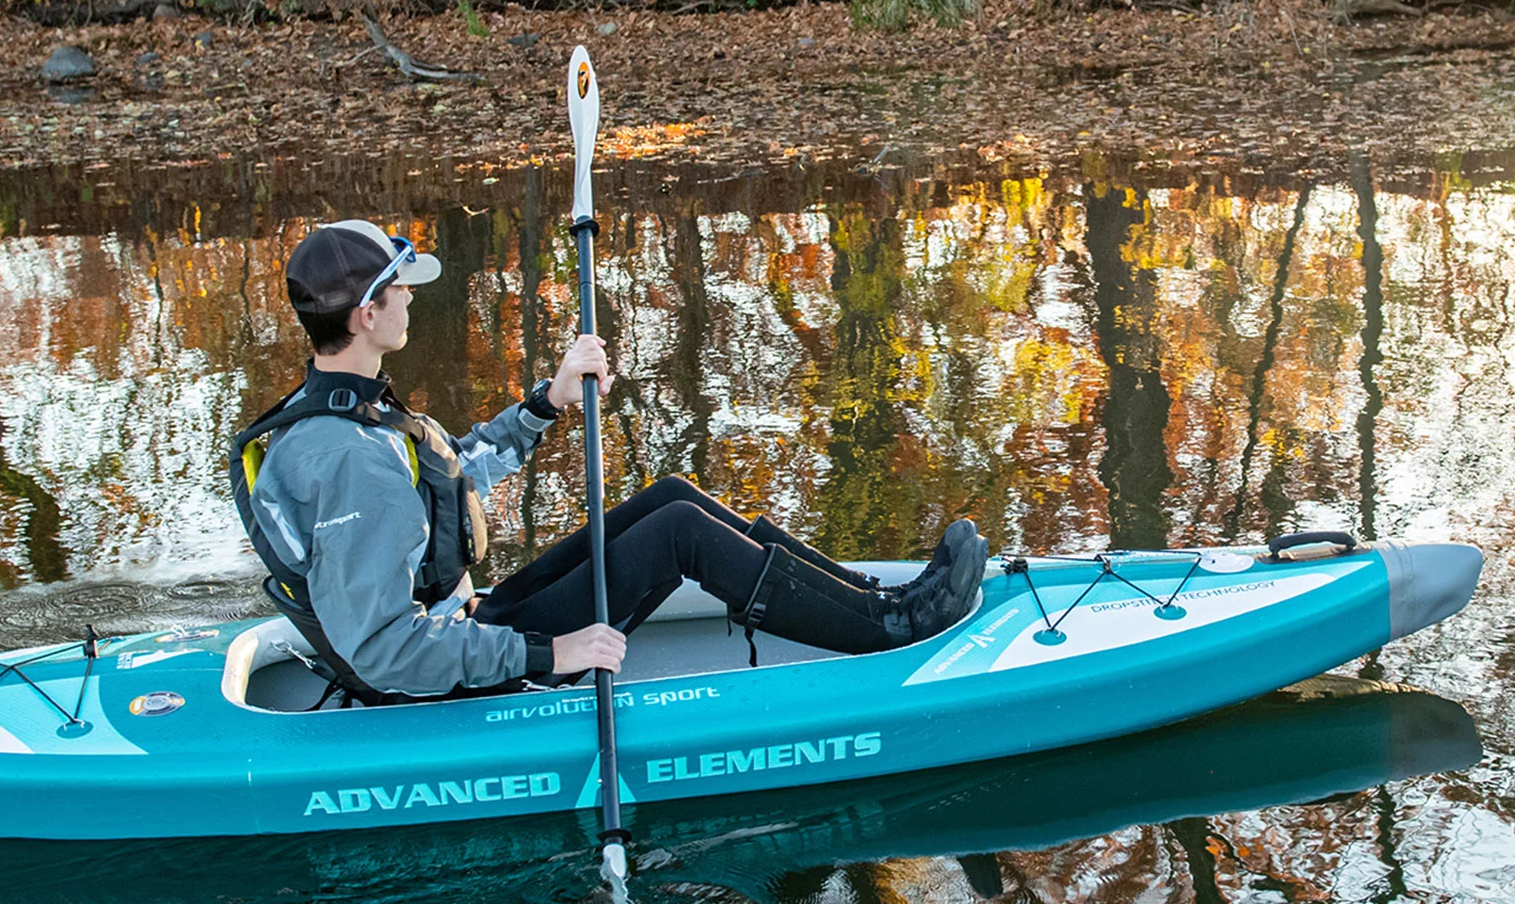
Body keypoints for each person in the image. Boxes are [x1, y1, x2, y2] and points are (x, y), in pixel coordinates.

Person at [230, 219, 986, 705]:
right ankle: (893, 629)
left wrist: (547, 403)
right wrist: (552, 651)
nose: (410, 302)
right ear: (367, 314)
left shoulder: (338, 412)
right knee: (678, 534)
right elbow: (385, 649)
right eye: (398, 290)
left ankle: (869, 597)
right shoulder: (352, 464)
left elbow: (445, 480)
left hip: (460, 622)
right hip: (436, 679)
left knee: (669, 498)